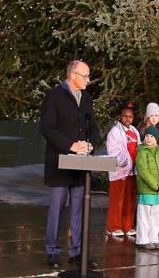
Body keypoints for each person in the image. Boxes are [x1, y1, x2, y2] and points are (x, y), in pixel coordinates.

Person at [40, 60, 99, 270]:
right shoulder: (54, 96)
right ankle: (52, 252)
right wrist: (71, 145)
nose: (88, 80)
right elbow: (48, 129)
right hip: (59, 163)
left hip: (80, 165)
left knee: (78, 210)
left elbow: (93, 127)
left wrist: (90, 144)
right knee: (56, 209)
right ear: (73, 75)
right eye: (85, 76)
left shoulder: (87, 99)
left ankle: (76, 252)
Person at [105, 103, 139, 237]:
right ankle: (114, 227)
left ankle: (128, 226)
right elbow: (113, 151)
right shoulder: (115, 132)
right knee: (117, 200)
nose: (127, 119)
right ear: (120, 117)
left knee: (129, 201)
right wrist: (124, 162)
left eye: (130, 117)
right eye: (125, 116)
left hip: (133, 171)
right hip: (120, 172)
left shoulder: (135, 131)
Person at [136, 126, 159, 250]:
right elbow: (143, 171)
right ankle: (143, 240)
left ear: (156, 139)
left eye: (152, 136)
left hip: (158, 192)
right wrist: (156, 186)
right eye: (147, 136)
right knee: (144, 216)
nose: (148, 138)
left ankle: (154, 239)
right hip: (147, 190)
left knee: (155, 217)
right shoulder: (142, 153)